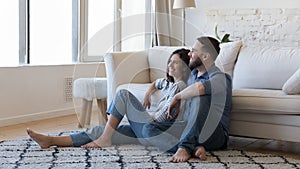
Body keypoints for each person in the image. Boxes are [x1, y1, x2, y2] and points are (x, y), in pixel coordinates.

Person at [26, 48, 191, 149]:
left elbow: (163, 118)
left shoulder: (181, 87)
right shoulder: (168, 83)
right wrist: (147, 95)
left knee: (123, 94)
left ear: (184, 67)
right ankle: (50, 140)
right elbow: (156, 83)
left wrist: (142, 115)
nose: (170, 65)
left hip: (155, 131)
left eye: (175, 63)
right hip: (147, 130)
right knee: (101, 130)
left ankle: (104, 139)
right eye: (170, 61)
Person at [142, 36, 232, 162]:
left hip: (213, 133)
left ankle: (185, 147)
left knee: (199, 98)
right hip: (188, 127)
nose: (189, 53)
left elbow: (200, 88)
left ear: (205, 56)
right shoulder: (192, 75)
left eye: (193, 51)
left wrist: (178, 97)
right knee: (148, 128)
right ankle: (193, 149)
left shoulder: (221, 78)